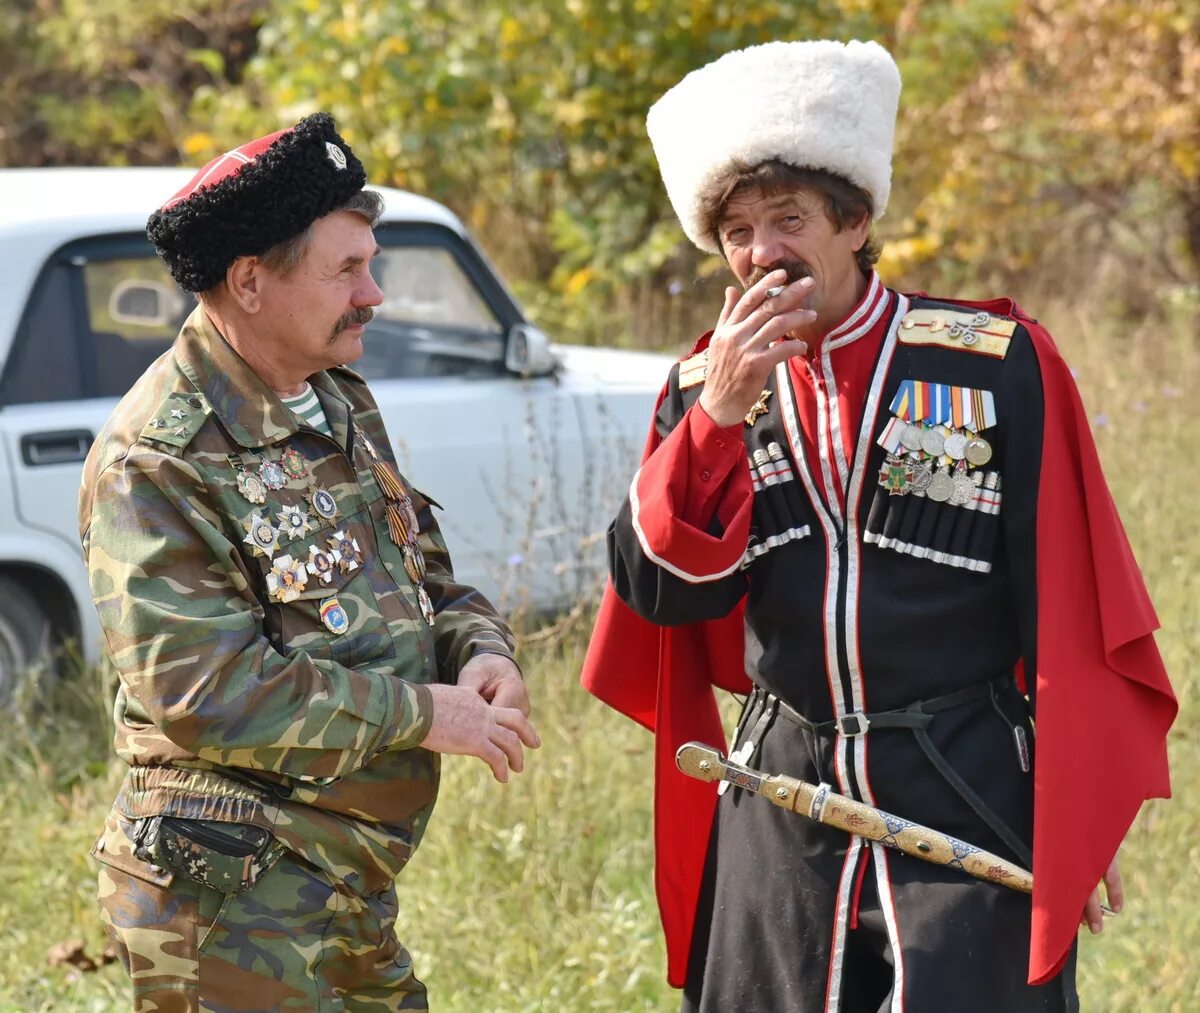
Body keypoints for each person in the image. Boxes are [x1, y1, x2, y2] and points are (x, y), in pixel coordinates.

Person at [580, 39, 1176, 1012]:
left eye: (787, 219)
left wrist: (1079, 810)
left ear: (854, 221)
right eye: (737, 229)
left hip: (965, 793)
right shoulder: (699, 392)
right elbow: (661, 597)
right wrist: (718, 419)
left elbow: (1069, 607)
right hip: (781, 801)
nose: (761, 251)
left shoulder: (994, 363)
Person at [79, 112, 540, 1012]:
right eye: (346, 270)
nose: (373, 295)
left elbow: (424, 578)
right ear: (250, 281)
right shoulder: (157, 456)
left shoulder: (333, 397)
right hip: (226, 905)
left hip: (334, 886)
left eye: (373, 266)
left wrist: (480, 651)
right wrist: (422, 711)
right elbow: (205, 692)